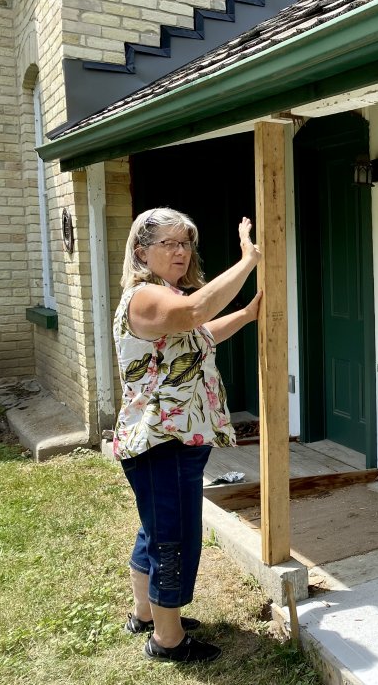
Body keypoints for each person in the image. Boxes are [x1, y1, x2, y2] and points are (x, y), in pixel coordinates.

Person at [112, 207, 261, 663]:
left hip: (174, 440)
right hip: (163, 442)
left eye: (186, 243)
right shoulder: (144, 297)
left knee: (156, 528)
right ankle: (168, 641)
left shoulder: (166, 297)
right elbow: (197, 310)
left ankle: (146, 613)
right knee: (173, 538)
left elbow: (200, 333)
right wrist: (248, 260)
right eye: (169, 244)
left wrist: (249, 314)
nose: (181, 251)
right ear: (142, 252)